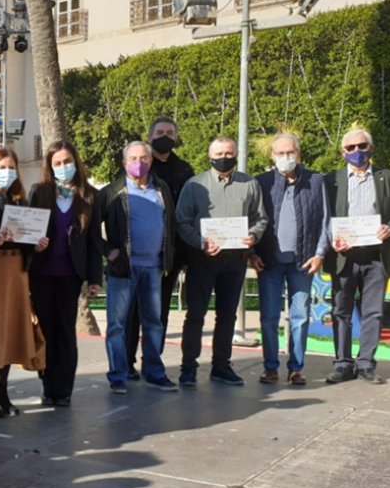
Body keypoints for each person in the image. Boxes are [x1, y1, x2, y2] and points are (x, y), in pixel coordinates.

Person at [175, 136, 267, 387]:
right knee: (196, 314)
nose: (224, 158)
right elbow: (181, 222)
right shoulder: (194, 185)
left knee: (227, 315)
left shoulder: (250, 184)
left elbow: (260, 219)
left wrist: (253, 236)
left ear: (236, 153)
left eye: (229, 153)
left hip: (235, 260)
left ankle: (221, 366)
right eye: (219, 154)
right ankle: (188, 367)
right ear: (209, 155)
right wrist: (200, 242)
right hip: (202, 260)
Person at [323, 128, 390, 385]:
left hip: (376, 257)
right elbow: (323, 217)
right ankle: (342, 364)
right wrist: (332, 238)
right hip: (343, 257)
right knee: (340, 312)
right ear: (343, 152)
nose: (356, 152)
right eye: (350, 148)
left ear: (370, 148)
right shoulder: (331, 181)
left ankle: (366, 364)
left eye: (362, 146)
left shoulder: (388, 179)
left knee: (373, 312)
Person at [0, 147, 47, 417]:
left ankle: (3, 390)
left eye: (11, 168)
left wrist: (37, 245)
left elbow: (27, 236)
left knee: (12, 329)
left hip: (16, 271)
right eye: (2, 168)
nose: (8, 173)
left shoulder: (20, 202)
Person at [99, 141, 178, 394]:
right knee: (117, 324)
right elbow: (90, 230)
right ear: (124, 163)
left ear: (151, 161)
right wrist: (109, 251)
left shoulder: (161, 189)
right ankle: (118, 374)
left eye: (144, 158)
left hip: (154, 268)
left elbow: (170, 226)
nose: (139, 163)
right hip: (124, 270)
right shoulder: (112, 192)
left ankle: (154, 372)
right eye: (133, 158)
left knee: (154, 322)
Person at [251, 133, 329, 386]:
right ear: (272, 156)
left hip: (303, 262)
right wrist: (251, 254)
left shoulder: (316, 181)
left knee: (300, 317)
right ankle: (270, 367)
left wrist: (319, 254)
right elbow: (251, 221)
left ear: (299, 153)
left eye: (290, 152)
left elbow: (326, 221)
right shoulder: (261, 182)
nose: (286, 157)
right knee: (269, 317)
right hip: (269, 262)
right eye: (280, 153)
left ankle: (296, 368)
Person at [28, 141, 102, 405]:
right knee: (46, 332)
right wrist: (34, 247)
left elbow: (94, 242)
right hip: (42, 274)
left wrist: (95, 278)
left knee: (66, 332)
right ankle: (48, 386)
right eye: (57, 163)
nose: (63, 167)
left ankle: (64, 390)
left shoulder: (90, 196)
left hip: (71, 275)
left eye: (67, 162)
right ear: (50, 166)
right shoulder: (39, 193)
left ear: (76, 162)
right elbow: (27, 232)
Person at [124, 116, 195, 380]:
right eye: (159, 132)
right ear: (150, 135)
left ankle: (152, 363)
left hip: (167, 257)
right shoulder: (137, 166)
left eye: (170, 132)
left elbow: (187, 215)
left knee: (158, 313)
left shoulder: (185, 171)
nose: (165, 136)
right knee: (131, 313)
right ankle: (127, 362)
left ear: (176, 137)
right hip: (134, 257)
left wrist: (185, 255)